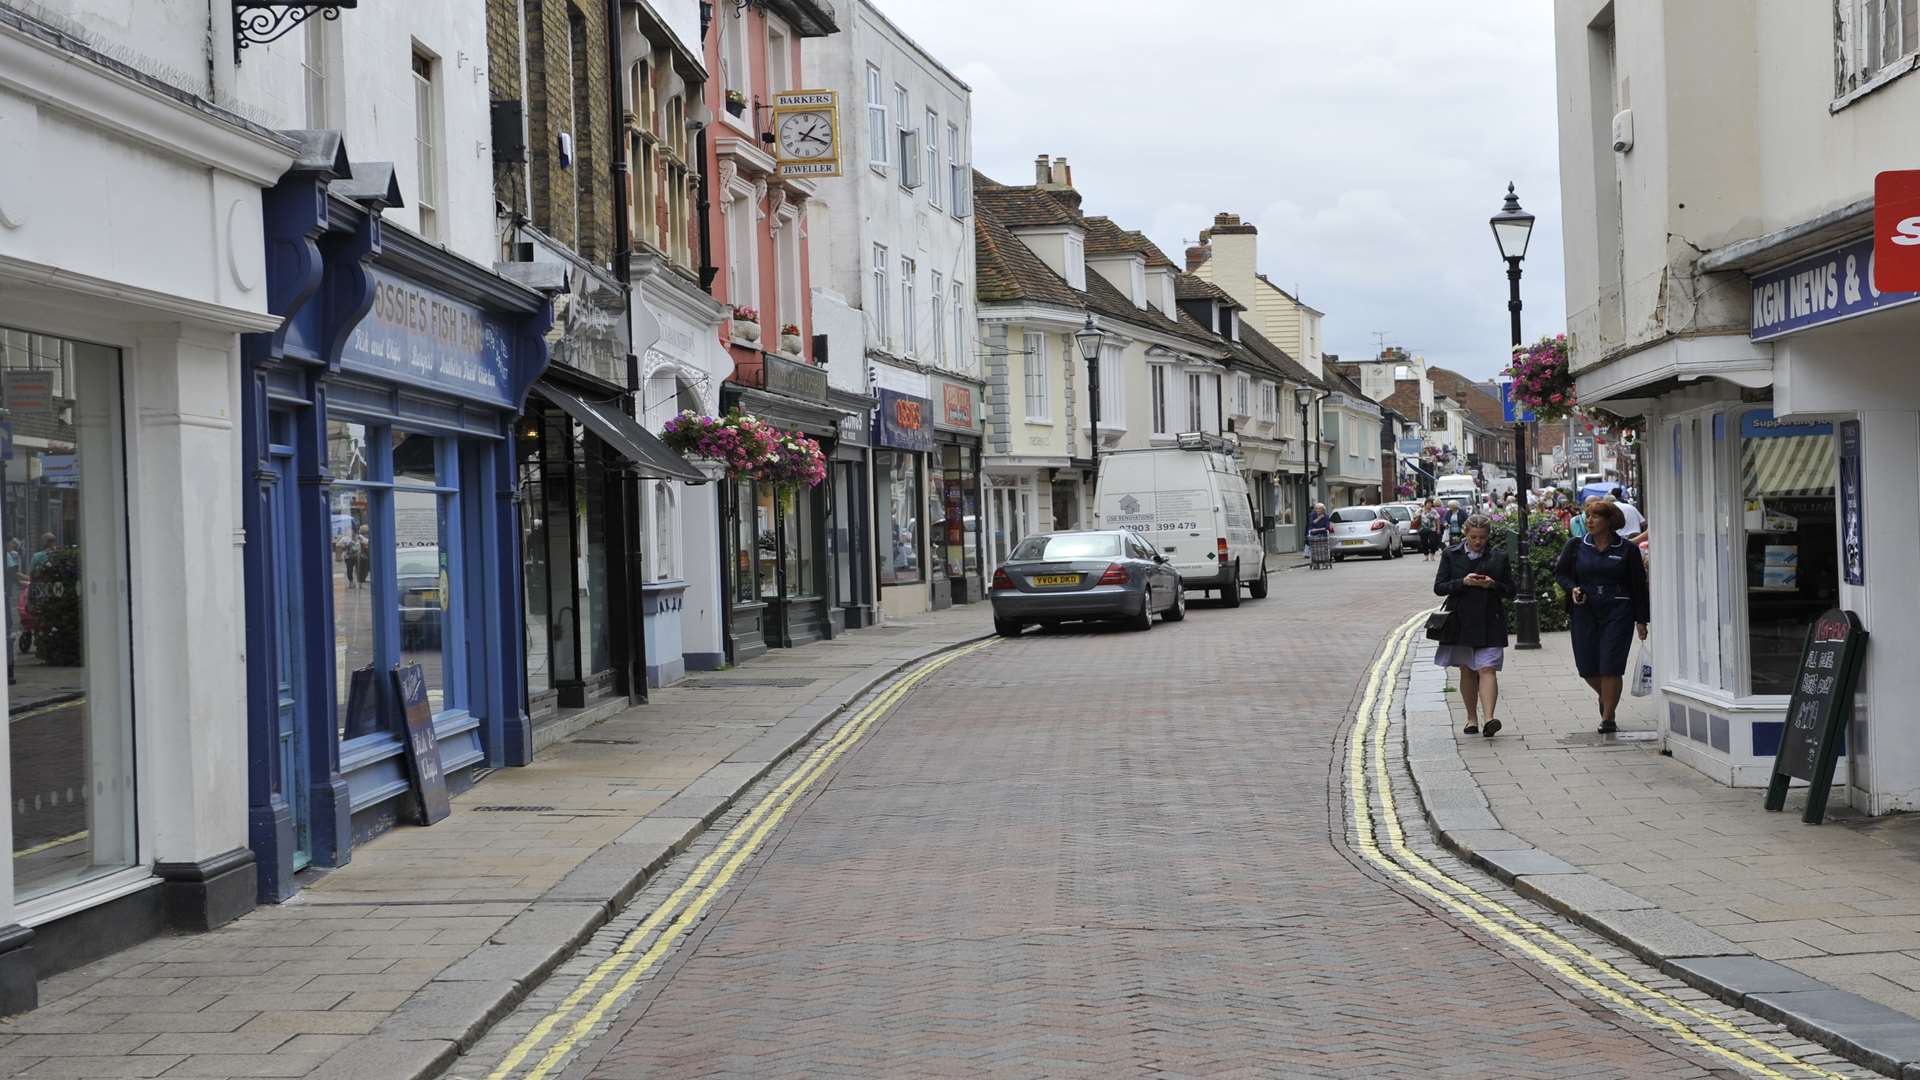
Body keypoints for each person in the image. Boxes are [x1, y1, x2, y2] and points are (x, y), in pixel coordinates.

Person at [1555, 498, 1652, 734]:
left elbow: (1639, 586)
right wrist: (1573, 589)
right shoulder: (1576, 545)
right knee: (1587, 666)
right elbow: (1561, 574)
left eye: (1595, 517)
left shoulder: (1627, 549)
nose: (1589, 521)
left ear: (1610, 522)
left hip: (1618, 611)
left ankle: (1608, 717)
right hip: (1585, 610)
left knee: (1611, 665)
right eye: (1587, 516)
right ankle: (1607, 696)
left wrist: (1642, 620)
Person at [1434, 514, 1516, 738]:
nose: (1478, 542)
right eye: (1473, 537)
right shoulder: (1451, 554)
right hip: (1461, 620)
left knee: (1488, 668)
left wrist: (1492, 585)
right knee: (1467, 669)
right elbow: (1439, 587)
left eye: (1482, 537)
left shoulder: (1498, 557)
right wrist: (1463, 582)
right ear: (1465, 534)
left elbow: (1511, 590)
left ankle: (1489, 718)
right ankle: (1471, 718)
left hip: (1491, 619)